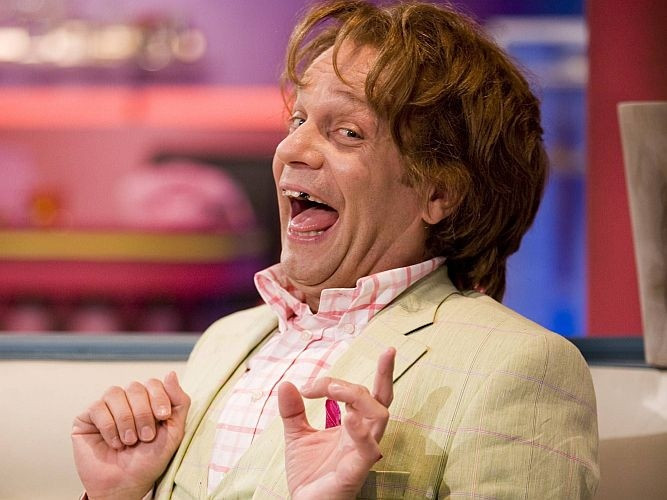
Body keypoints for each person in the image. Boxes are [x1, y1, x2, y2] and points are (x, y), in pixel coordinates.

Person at [71, 1, 599, 498]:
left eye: (347, 132)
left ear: (438, 192)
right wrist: (115, 494)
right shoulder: (224, 341)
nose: (291, 149)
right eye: (298, 120)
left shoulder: (524, 366)